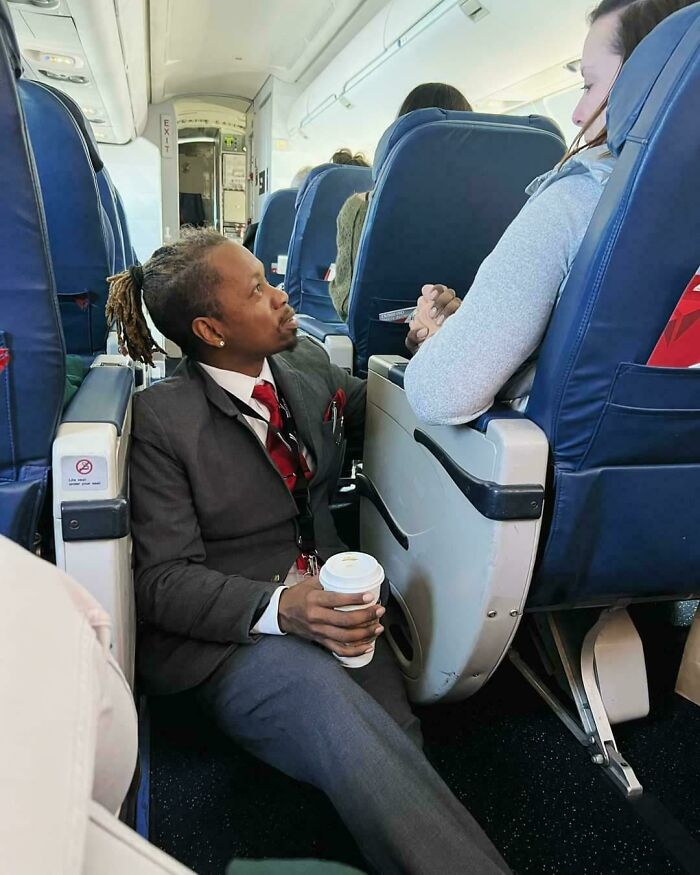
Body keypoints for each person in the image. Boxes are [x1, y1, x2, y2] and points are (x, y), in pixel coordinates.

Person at [105, 229, 510, 875]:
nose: (282, 297)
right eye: (259, 291)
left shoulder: (306, 368)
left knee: (393, 742)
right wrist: (281, 608)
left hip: (333, 603)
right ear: (211, 330)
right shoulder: (161, 420)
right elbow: (161, 581)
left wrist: (432, 350)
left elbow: (394, 405)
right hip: (234, 637)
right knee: (337, 715)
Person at [404, 0, 694, 425]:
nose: (578, 115)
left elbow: (444, 393)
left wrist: (438, 344)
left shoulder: (579, 198)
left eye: (589, 86)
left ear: (647, 83)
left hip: (556, 480)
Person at [329, 83, 472, 322]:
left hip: (381, 343)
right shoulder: (494, 207)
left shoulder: (361, 208)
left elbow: (346, 304)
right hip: (472, 337)